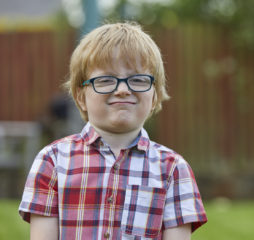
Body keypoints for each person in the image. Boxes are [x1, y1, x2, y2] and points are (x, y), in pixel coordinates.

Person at [19, 22, 207, 240]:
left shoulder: (174, 170)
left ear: (154, 95)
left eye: (137, 79)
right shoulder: (52, 161)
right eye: (106, 80)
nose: (123, 90)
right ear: (81, 97)